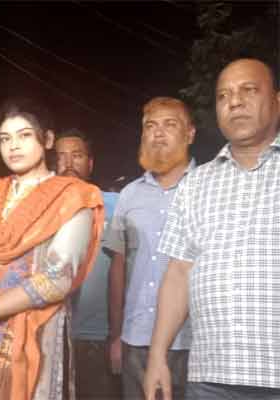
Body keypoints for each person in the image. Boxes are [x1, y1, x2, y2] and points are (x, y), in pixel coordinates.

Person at [145, 58, 280, 399]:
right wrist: (158, 355)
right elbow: (179, 272)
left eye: (248, 90)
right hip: (210, 377)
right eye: (223, 95)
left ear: (277, 101)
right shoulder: (196, 183)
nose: (234, 102)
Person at [0, 99, 104, 400]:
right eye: (5, 138)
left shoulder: (72, 198)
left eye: (24, 135)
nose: (13, 146)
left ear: (47, 140)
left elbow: (56, 280)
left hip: (36, 333)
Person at [106, 97, 196, 400]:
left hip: (194, 343)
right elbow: (118, 267)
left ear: (190, 134)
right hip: (136, 340)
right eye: (150, 126)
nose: (158, 133)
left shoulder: (208, 188)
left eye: (170, 125)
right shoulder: (128, 195)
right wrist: (116, 336)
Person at [55, 128, 122, 399]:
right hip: (52, 336)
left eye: (77, 155)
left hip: (98, 338)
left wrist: (117, 336)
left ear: (90, 163)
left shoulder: (115, 205)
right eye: (60, 156)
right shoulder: (41, 211)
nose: (68, 163)